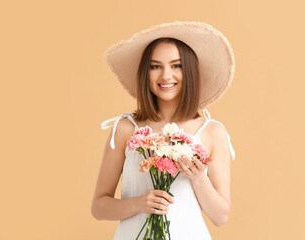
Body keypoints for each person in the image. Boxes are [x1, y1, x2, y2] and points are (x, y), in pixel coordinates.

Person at [91, 21, 236, 240]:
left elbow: (220, 216)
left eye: (176, 65)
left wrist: (198, 178)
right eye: (155, 66)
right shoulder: (125, 129)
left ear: (190, 71)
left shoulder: (212, 132)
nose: (166, 75)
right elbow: (99, 207)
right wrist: (139, 203)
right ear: (145, 73)